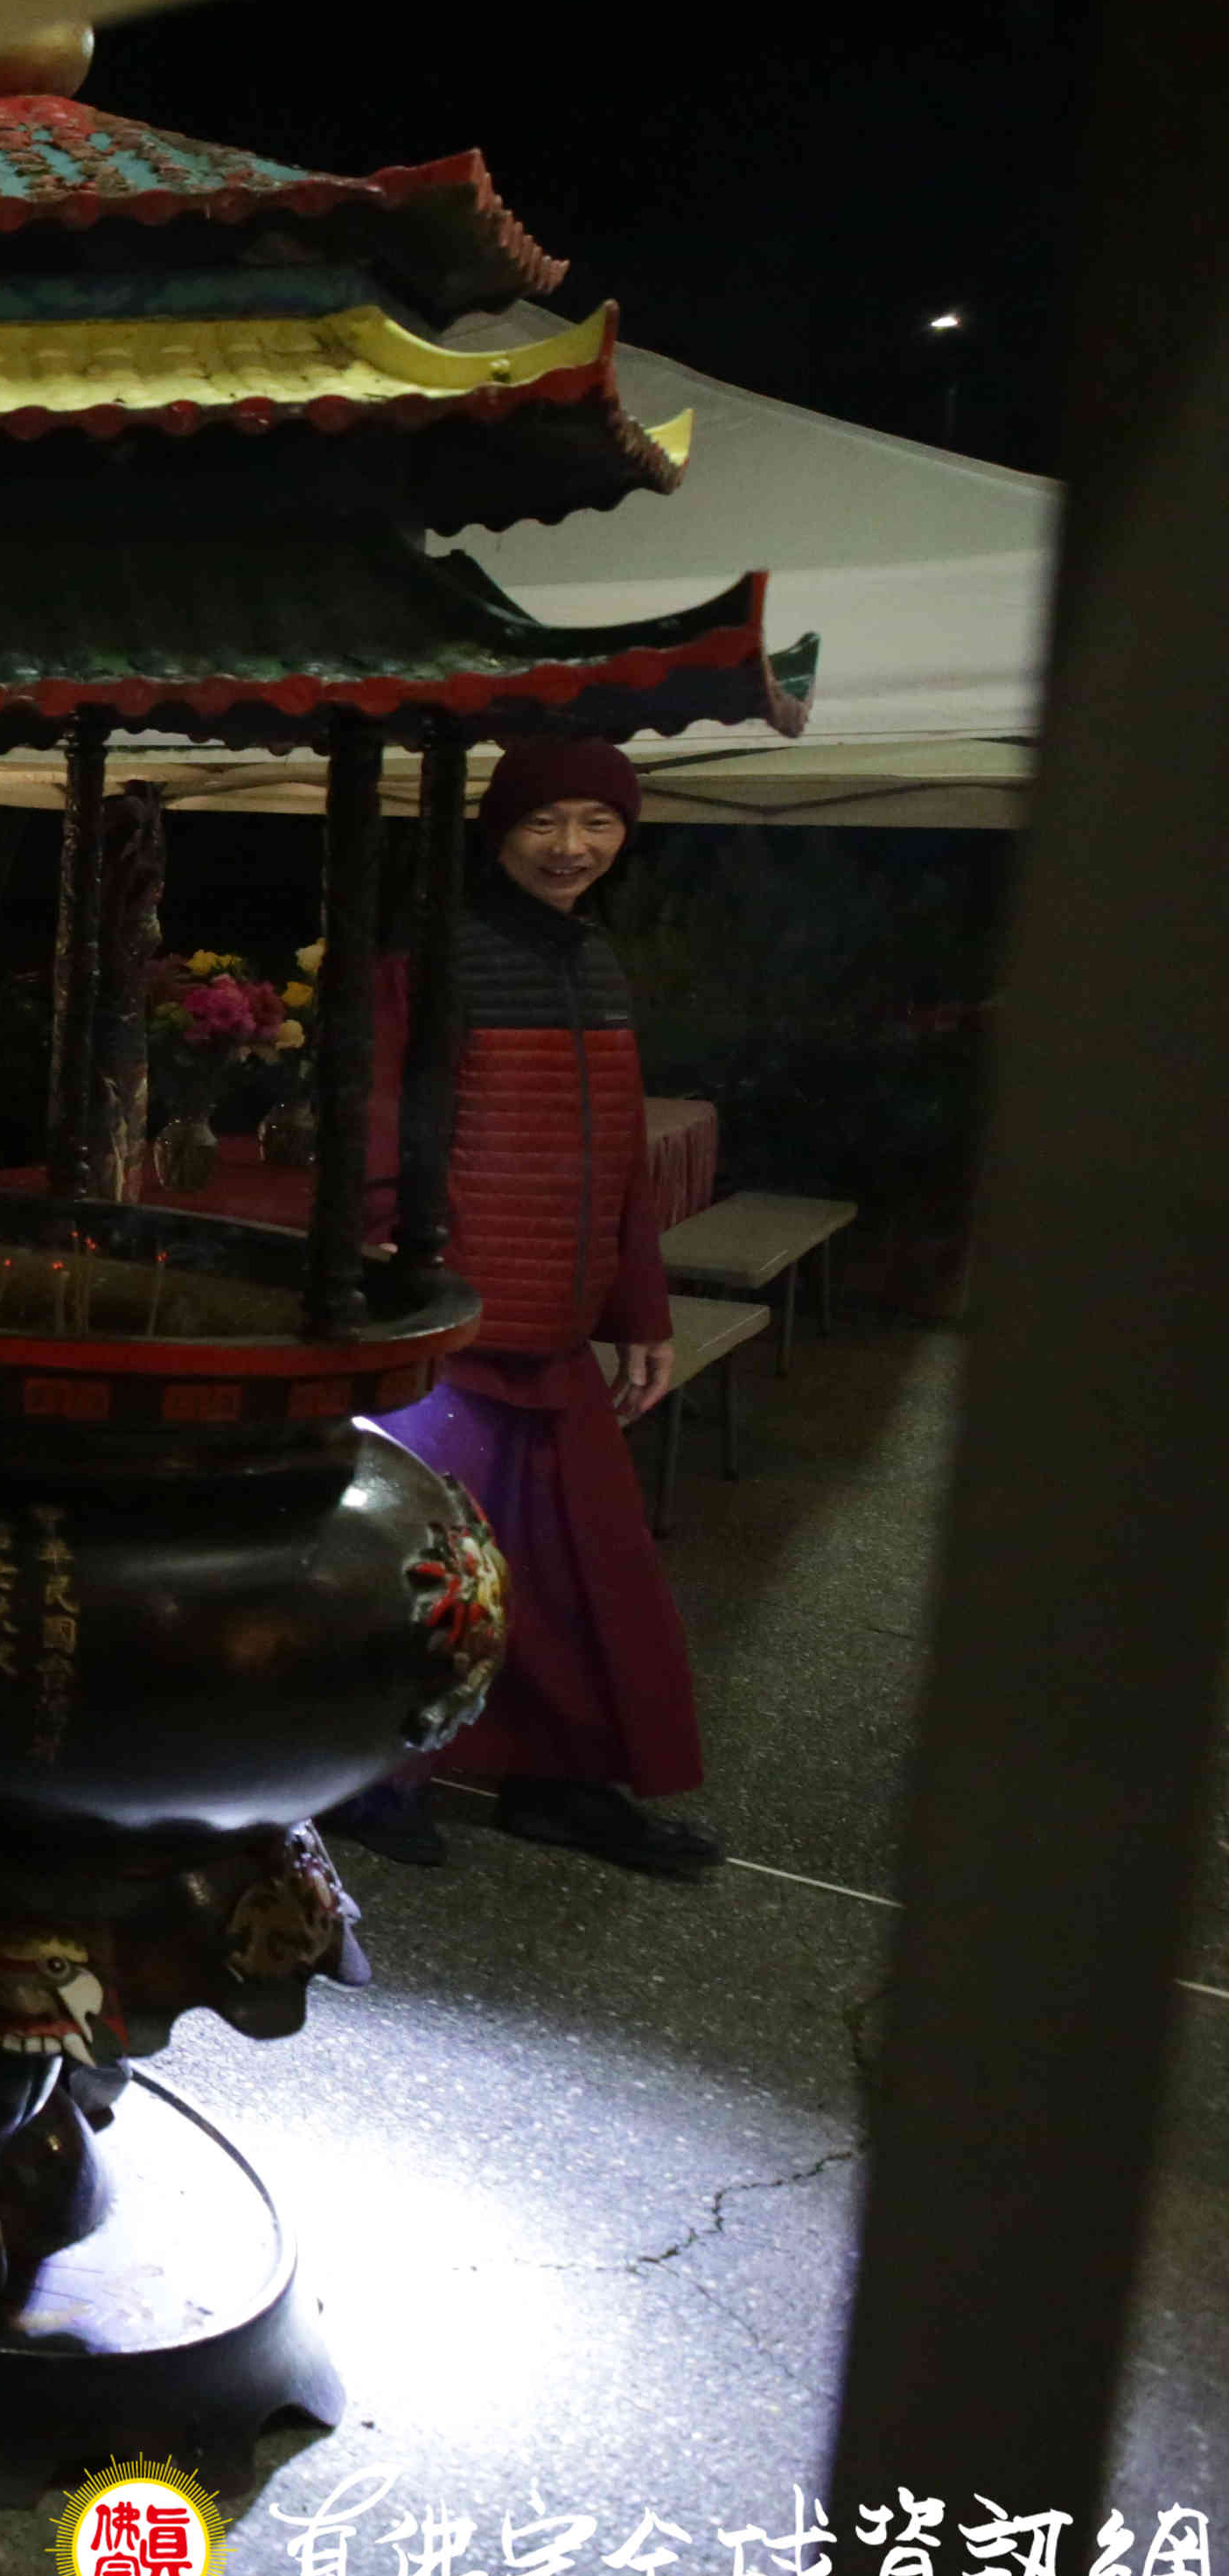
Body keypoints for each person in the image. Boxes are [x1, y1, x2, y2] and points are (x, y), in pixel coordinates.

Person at [326, 734, 720, 1881]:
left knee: (584, 1568)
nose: (571, 847)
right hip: (454, 1321)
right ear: (497, 831)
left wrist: (641, 1313)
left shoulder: (594, 960)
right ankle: (371, 1778)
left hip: (555, 1326)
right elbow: (375, 1118)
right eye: (546, 822)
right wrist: (388, 1249)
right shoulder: (428, 962)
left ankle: (561, 1783)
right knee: (417, 1558)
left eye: (599, 823)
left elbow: (619, 1159)